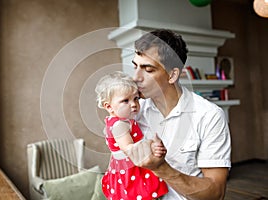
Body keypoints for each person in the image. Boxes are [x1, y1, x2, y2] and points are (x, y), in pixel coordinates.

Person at [125, 29, 232, 200]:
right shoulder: (133, 111)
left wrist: (161, 168)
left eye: (148, 69)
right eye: (135, 66)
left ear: (172, 75)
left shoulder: (209, 116)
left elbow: (216, 193)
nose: (136, 77)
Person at [95, 71, 168, 200]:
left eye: (136, 98)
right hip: (130, 169)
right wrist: (152, 145)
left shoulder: (122, 120)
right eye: (125, 101)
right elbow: (130, 149)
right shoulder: (119, 125)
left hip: (124, 166)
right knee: (139, 194)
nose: (134, 104)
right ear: (109, 107)